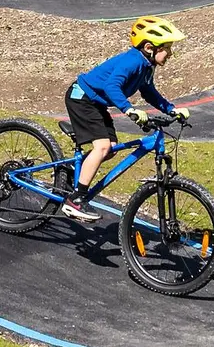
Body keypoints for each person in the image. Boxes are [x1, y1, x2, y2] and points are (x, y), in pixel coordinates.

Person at [57, 16, 191, 222]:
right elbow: (112, 86)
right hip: (82, 98)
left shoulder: (146, 66)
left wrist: (172, 109)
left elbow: (149, 92)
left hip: (96, 103)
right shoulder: (132, 62)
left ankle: (74, 171)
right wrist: (129, 110)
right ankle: (75, 200)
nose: (170, 53)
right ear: (149, 47)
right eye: (167, 48)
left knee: (109, 148)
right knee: (101, 147)